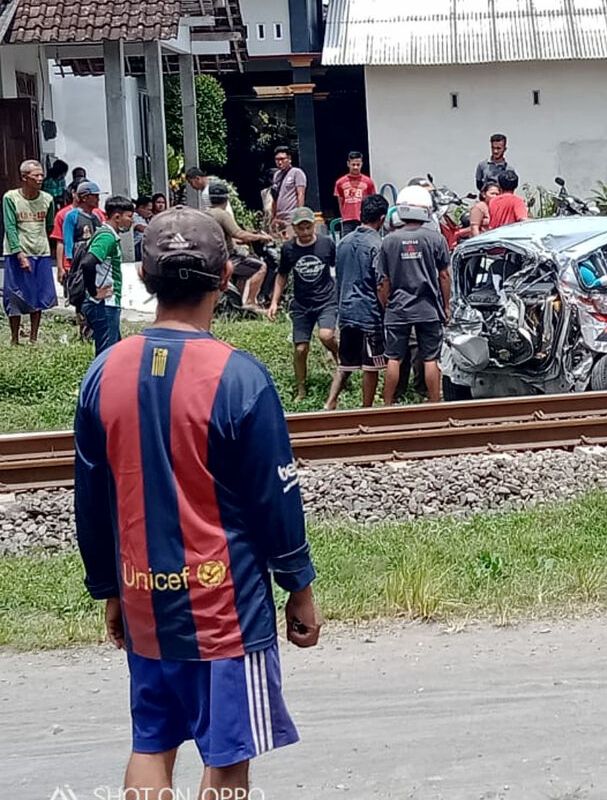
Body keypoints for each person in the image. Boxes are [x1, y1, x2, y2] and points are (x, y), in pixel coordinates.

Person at [73, 207, 320, 800]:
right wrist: (300, 588)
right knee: (228, 757)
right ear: (227, 274)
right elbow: (276, 500)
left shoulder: (104, 372)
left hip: (142, 599)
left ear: (145, 277)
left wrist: (108, 588)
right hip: (224, 610)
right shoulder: (239, 377)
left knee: (151, 744)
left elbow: (91, 499)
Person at [377, 188, 451, 405]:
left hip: (398, 308)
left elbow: (383, 281)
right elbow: (444, 276)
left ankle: (387, 405)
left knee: (393, 358)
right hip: (428, 308)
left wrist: (386, 304)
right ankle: (434, 403)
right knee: (430, 358)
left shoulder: (388, 241)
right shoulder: (435, 239)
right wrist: (446, 306)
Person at [326, 194, 389, 410]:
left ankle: (330, 402)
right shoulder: (377, 245)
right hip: (369, 312)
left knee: (346, 363)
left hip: (346, 311)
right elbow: (380, 283)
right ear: (381, 219)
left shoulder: (343, 242)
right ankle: (366, 409)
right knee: (371, 366)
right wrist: (386, 308)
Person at [268, 208, 338, 401]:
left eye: (308, 227)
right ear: (294, 229)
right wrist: (274, 302)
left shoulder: (327, 244)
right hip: (301, 304)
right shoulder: (288, 249)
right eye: (301, 228)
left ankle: (340, 359)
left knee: (326, 336)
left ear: (314, 226)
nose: (305, 232)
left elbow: (335, 266)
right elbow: (282, 275)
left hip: (326, 300)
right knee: (300, 349)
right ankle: (301, 388)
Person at [3, 159, 56, 346]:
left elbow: (49, 224)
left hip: (40, 251)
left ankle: (34, 337)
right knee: (15, 295)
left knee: (38, 296)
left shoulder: (47, 199)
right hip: (16, 253)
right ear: (25, 178)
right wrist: (19, 252)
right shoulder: (11, 198)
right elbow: (10, 227)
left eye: (42, 174)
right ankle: (15, 338)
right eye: (36, 175)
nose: (40, 178)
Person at [77, 196, 135, 355]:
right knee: (106, 356)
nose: (131, 221)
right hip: (104, 304)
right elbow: (88, 263)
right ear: (117, 217)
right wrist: (95, 292)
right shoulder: (106, 237)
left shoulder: (107, 235)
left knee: (115, 353)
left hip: (106, 304)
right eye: (129, 217)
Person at [208, 181, 273, 310]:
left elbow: (226, 237)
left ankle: (237, 303)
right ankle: (250, 303)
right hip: (227, 258)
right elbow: (239, 233)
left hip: (211, 256)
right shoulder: (222, 214)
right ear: (227, 199)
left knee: (244, 269)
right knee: (261, 267)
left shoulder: (205, 214)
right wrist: (261, 237)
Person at [269, 146, 308, 235]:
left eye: (282, 159)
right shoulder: (276, 175)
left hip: (291, 215)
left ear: (289, 159)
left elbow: (301, 194)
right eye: (277, 159)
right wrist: (273, 217)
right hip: (279, 216)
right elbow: (275, 197)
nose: (279, 162)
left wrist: (299, 214)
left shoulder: (297, 173)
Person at [333, 150, 377, 228]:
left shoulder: (368, 182)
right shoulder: (340, 183)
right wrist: (343, 216)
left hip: (363, 220)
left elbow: (372, 201)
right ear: (348, 164)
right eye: (353, 164)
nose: (355, 167)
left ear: (361, 164)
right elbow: (340, 202)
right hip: (347, 220)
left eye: (358, 164)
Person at [133, 196, 153, 261]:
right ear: (141, 208)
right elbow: (139, 227)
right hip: (137, 247)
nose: (150, 212)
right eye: (148, 210)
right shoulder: (134, 216)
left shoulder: (144, 218)